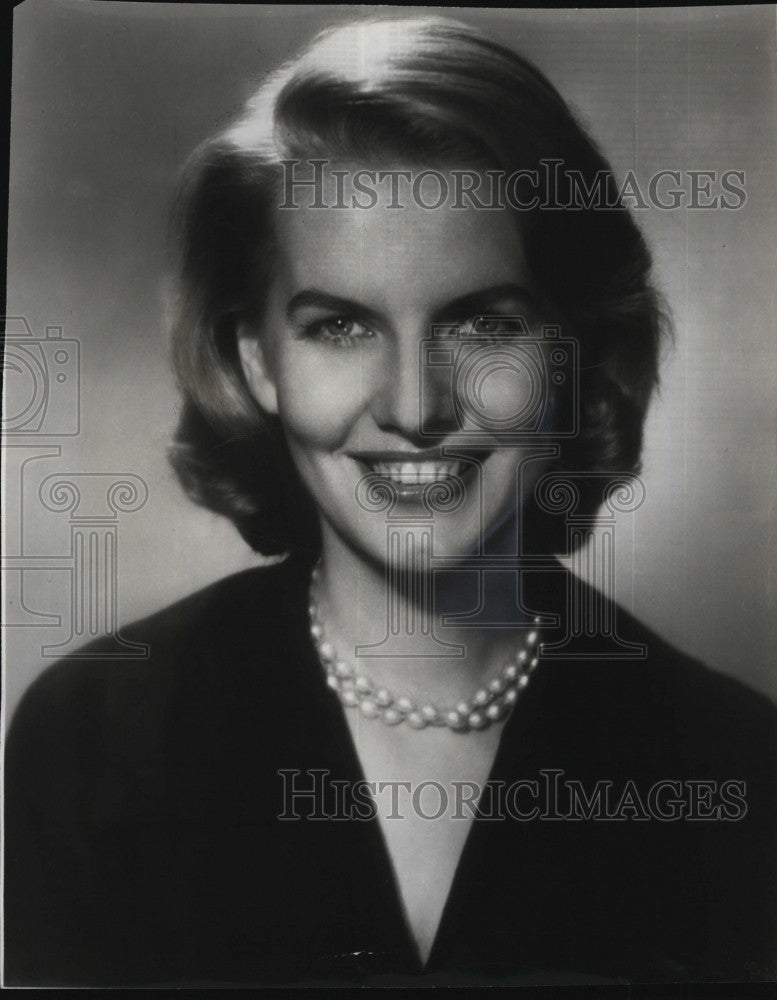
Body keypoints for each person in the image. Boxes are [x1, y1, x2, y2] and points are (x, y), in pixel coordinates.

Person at [5, 16, 777, 987]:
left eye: (484, 322)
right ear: (258, 359)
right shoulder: (92, 746)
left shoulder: (735, 770)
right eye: (340, 326)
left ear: (568, 354)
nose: (417, 407)